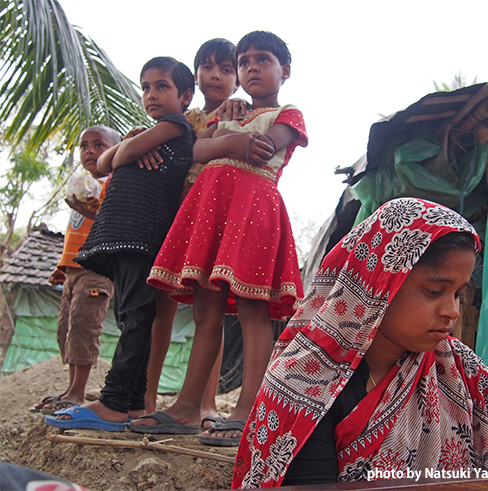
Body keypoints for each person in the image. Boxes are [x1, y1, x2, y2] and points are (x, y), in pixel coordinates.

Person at [231, 197, 488, 488]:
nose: (452, 310)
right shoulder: (305, 383)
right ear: (379, 285)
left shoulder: (451, 365)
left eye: (458, 293)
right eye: (434, 291)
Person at [129, 31, 307, 443]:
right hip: (211, 209)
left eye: (263, 60)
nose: (251, 68)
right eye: (244, 61)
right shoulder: (227, 115)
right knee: (207, 311)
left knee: (252, 310)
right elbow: (197, 151)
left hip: (252, 212)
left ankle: (247, 410)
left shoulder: (290, 113)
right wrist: (234, 139)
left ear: (286, 71)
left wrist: (231, 141)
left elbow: (263, 147)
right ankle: (189, 407)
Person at [45, 56, 196, 431]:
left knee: (136, 317)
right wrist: (123, 148)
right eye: (145, 87)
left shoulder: (175, 126)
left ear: (185, 96)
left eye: (162, 86)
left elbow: (114, 160)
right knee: (133, 315)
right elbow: (106, 162)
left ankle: (113, 402)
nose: (151, 94)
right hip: (128, 235)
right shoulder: (154, 131)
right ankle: (129, 403)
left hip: (140, 234)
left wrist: (125, 148)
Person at [143, 39, 245, 433]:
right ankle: (147, 398)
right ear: (196, 75)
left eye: (225, 68)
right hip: (175, 220)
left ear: (236, 80)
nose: (215, 75)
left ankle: (205, 404)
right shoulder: (185, 118)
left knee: (211, 313)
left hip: (217, 223)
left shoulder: (242, 113)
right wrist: (139, 143)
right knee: (161, 310)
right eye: (207, 66)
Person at [30, 125, 119, 415]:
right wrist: (62, 266)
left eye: (98, 145)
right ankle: (70, 390)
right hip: (73, 271)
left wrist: (87, 210)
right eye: (84, 146)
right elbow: (74, 235)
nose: (90, 151)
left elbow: (106, 223)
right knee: (67, 330)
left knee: (84, 327)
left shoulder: (112, 184)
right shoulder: (82, 185)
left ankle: (78, 392)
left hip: (96, 270)